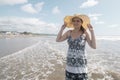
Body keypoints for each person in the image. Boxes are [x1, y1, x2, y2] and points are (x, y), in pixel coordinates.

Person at [56, 14, 96, 80]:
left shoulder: (85, 33)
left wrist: (92, 32)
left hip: (81, 65)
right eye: (74, 21)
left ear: (81, 22)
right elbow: (58, 40)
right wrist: (62, 29)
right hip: (70, 64)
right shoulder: (69, 32)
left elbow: (94, 46)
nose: (75, 22)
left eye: (78, 21)